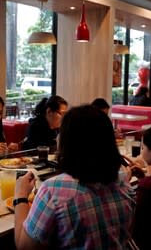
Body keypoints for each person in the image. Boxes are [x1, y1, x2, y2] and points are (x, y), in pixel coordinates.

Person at [14, 105, 135, 249]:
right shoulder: (123, 183)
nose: (58, 136)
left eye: (61, 132)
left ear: (69, 142)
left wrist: (20, 196)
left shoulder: (53, 189)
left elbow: (24, 247)